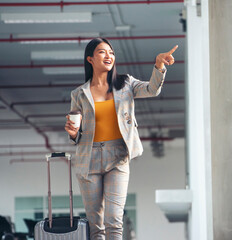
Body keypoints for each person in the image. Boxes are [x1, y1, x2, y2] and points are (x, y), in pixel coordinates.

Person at [64, 37, 177, 240]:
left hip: (118, 156)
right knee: (95, 225)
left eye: (112, 52)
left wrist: (159, 64)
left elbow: (152, 89)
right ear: (90, 59)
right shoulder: (79, 94)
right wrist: (73, 134)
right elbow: (76, 132)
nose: (109, 56)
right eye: (102, 52)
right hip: (88, 158)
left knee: (114, 220)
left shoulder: (126, 84)